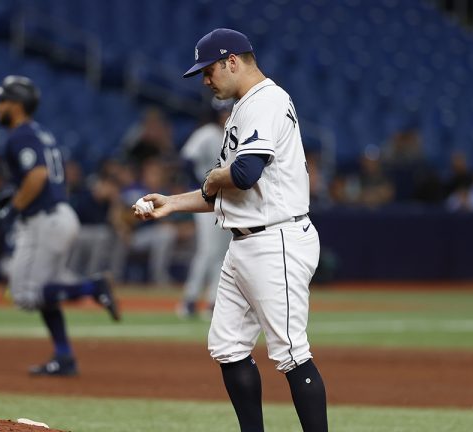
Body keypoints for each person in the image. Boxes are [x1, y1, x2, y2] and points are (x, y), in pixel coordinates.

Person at [133, 29, 327, 431]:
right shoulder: (245, 107)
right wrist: (171, 203)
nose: (205, 80)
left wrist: (212, 178)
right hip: (245, 241)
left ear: (232, 61)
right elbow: (224, 190)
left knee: (291, 353)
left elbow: (242, 173)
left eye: (208, 70)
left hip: (277, 241)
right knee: (228, 347)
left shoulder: (266, 101)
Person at [0, 75, 120, 377]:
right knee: (46, 289)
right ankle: (64, 355)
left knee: (24, 295)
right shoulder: (39, 133)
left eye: (3, 100)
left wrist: (13, 207)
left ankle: (92, 287)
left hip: (43, 221)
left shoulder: (20, 135)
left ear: (17, 105)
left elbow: (37, 176)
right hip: (57, 215)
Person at [177, 104, 233, 318]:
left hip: (227, 200)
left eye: (229, 111)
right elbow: (186, 160)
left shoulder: (231, 136)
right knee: (208, 251)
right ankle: (190, 300)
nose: (226, 115)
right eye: (223, 112)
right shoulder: (207, 133)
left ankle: (212, 302)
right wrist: (201, 187)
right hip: (207, 201)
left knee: (223, 253)